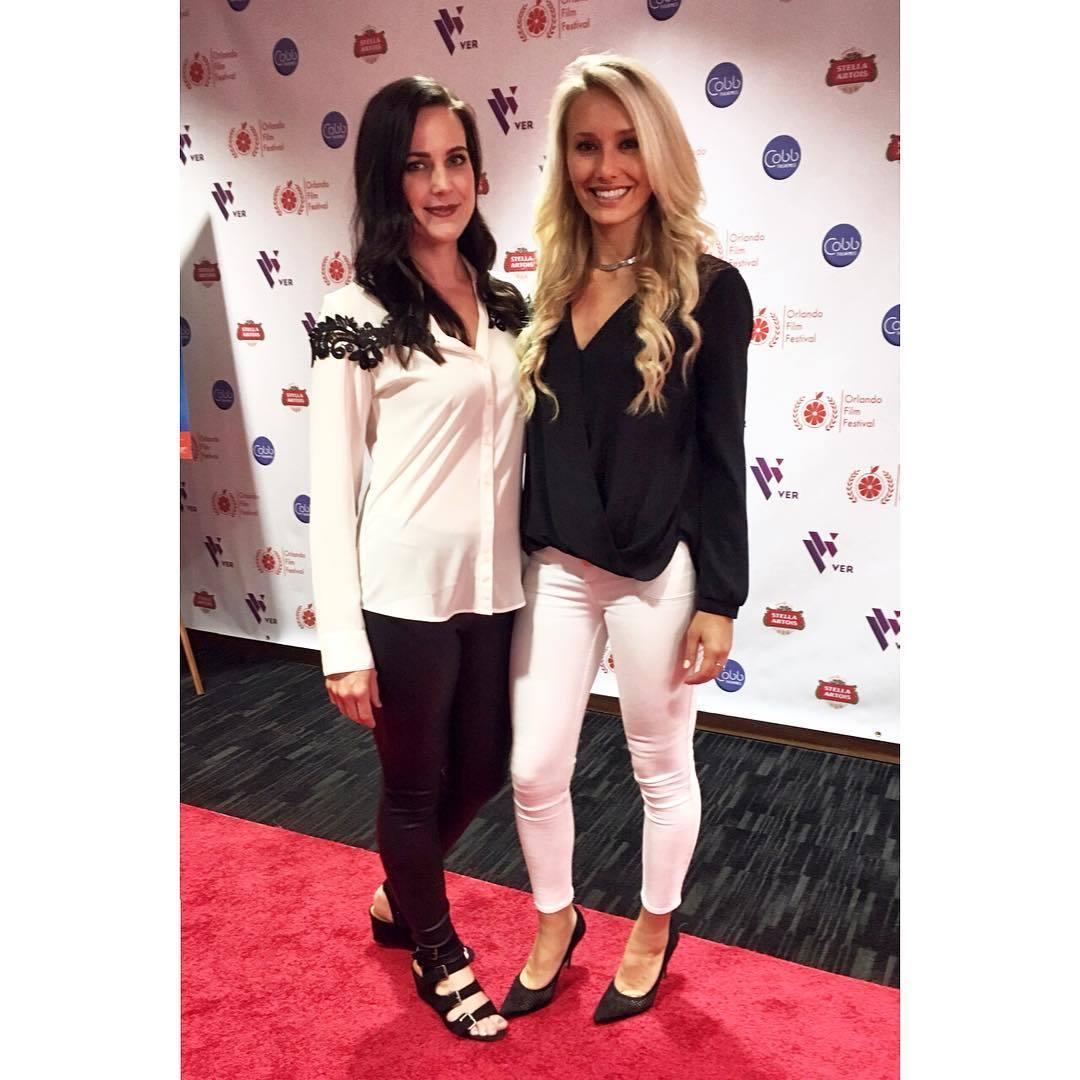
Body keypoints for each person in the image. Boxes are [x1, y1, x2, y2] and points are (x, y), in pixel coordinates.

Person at [501, 54, 753, 1025]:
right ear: (563, 160)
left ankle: (653, 925)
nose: (606, 168)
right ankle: (555, 919)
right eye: (585, 146)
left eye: (625, 145)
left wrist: (721, 598)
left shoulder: (711, 290)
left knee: (659, 764)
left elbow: (723, 453)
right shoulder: (549, 286)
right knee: (534, 768)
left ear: (659, 154)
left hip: (658, 573)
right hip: (559, 567)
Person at [308, 75, 528, 1042]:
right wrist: (341, 644)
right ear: (384, 178)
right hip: (401, 594)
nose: (442, 184)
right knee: (412, 781)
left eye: (456, 160)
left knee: (483, 765)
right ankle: (436, 948)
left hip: (497, 585)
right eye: (417, 164)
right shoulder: (355, 311)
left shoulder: (509, 303)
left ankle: (402, 891)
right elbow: (331, 486)